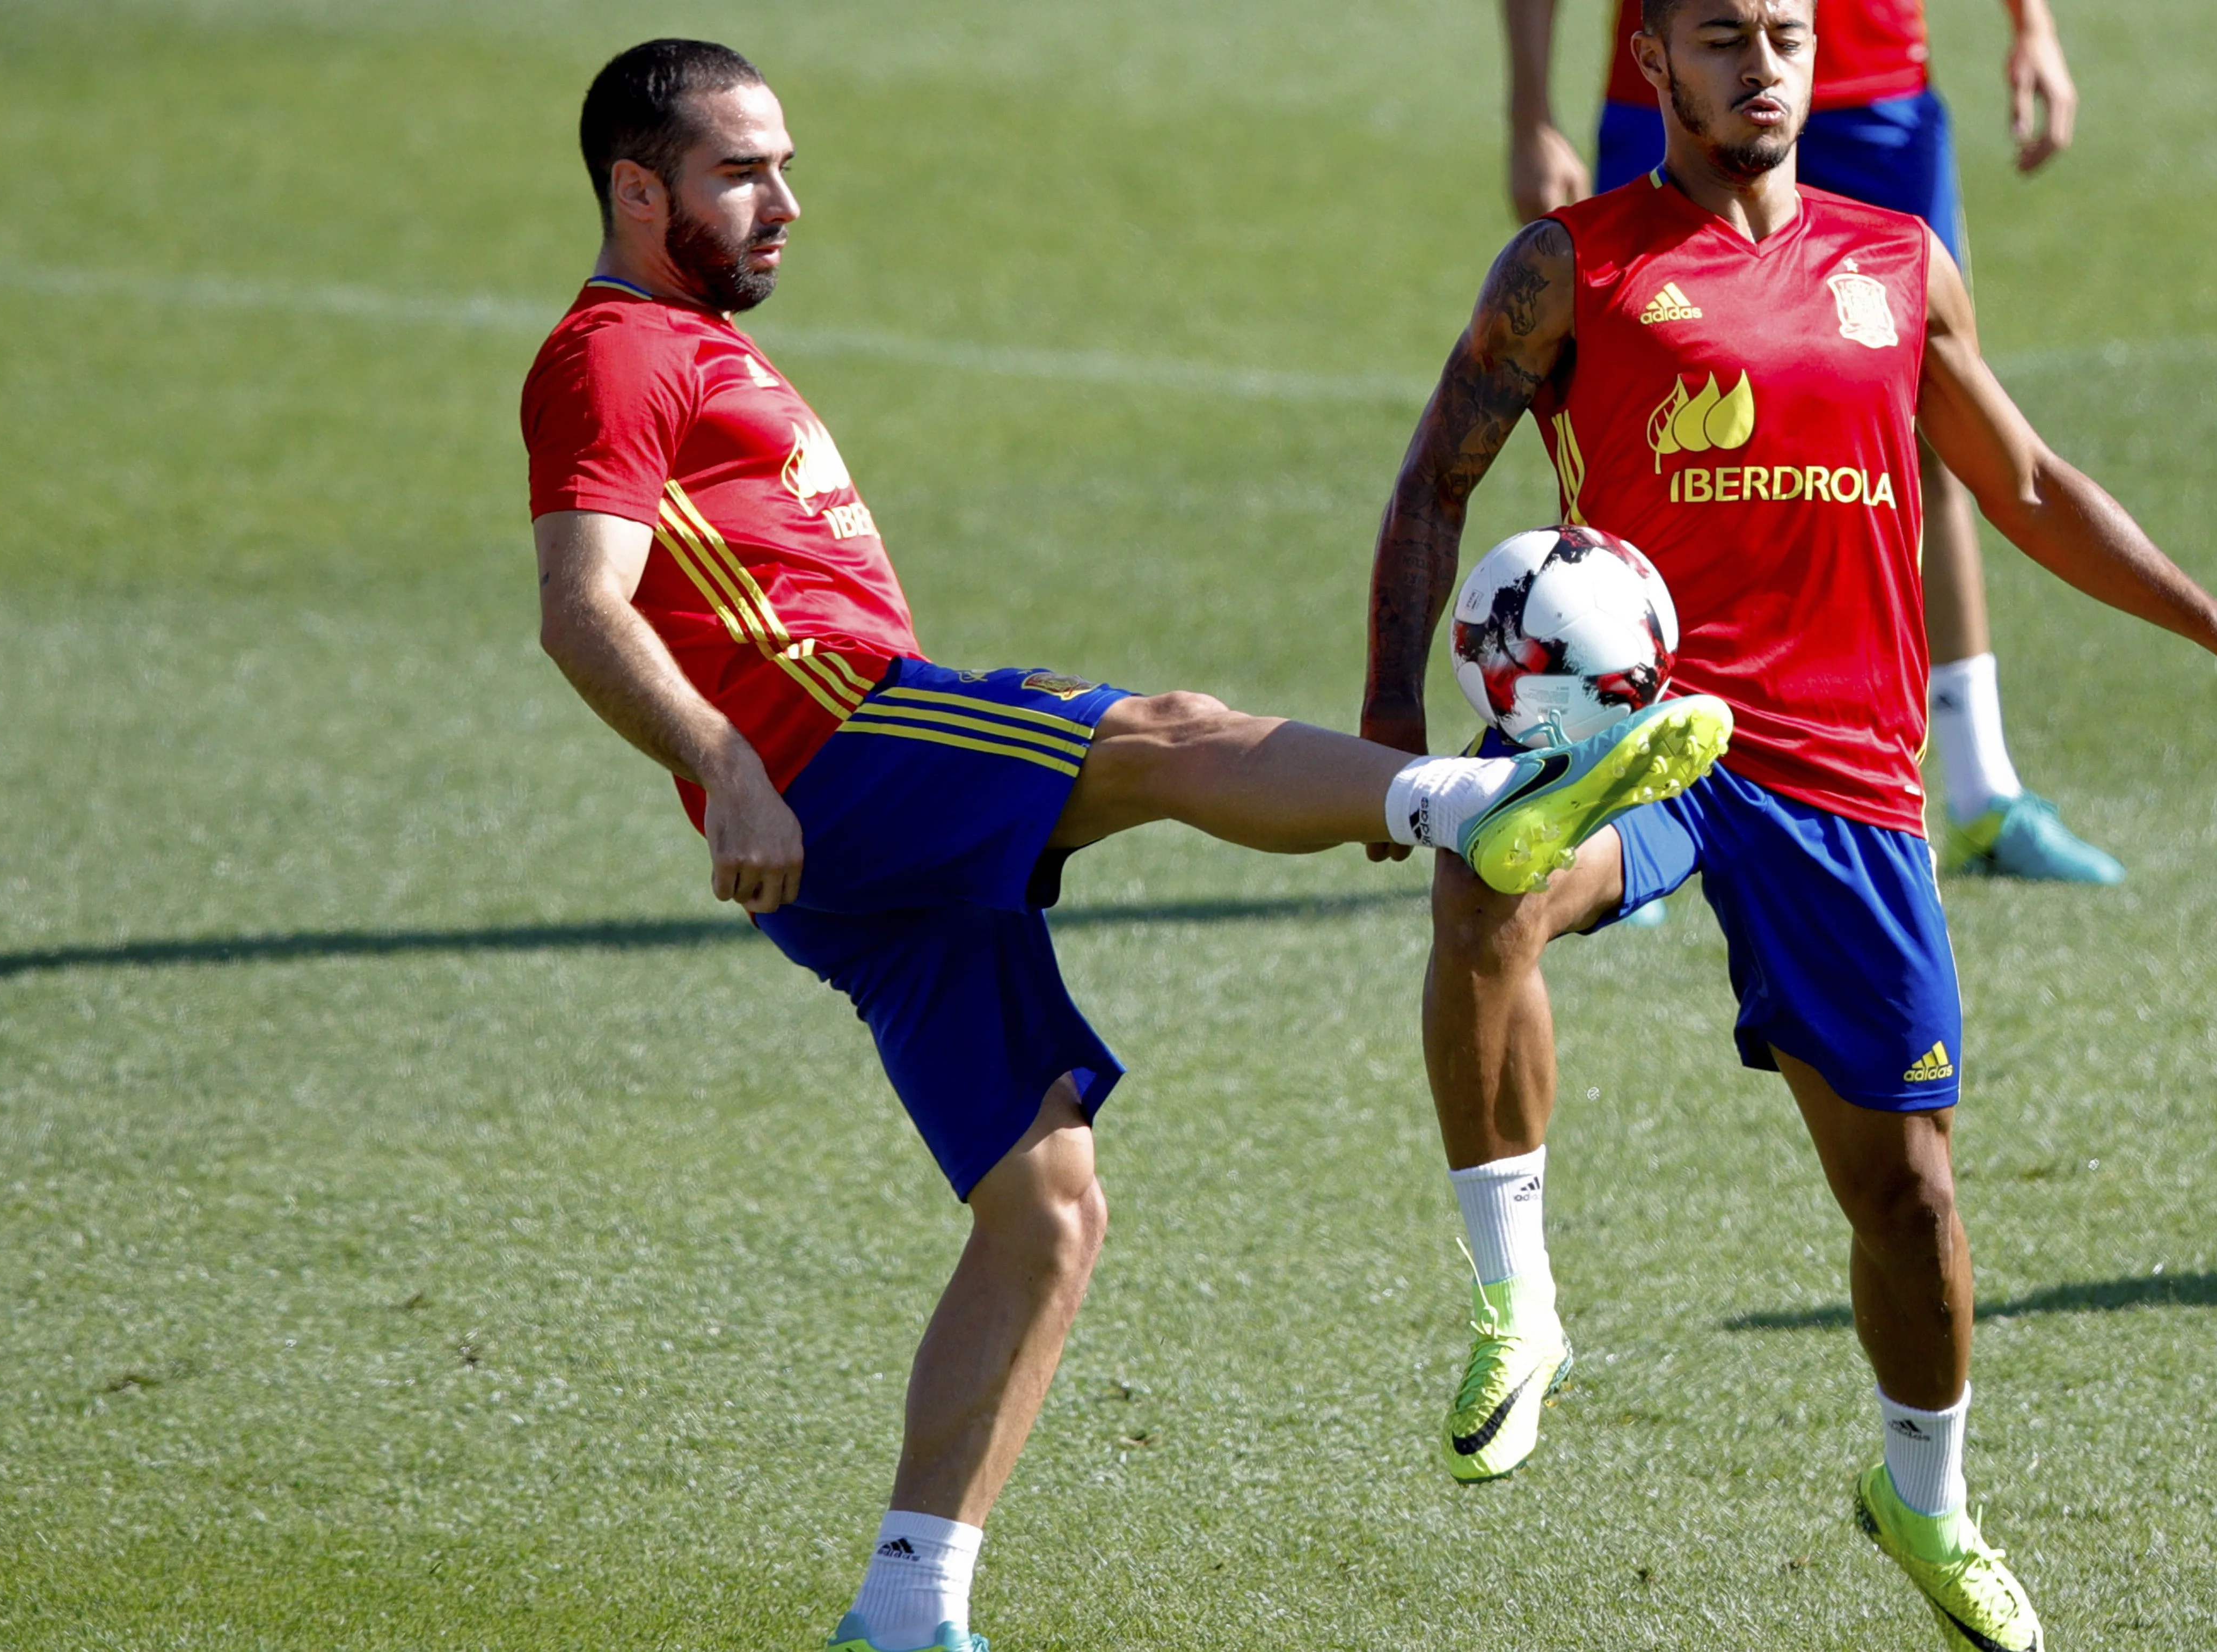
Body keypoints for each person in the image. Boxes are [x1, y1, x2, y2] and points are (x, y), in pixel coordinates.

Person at [519, 41, 1731, 1652]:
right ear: (634, 186)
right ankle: (1472, 801)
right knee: (1154, 733)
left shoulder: (691, 343)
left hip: (851, 827)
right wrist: (730, 768)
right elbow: (580, 605)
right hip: (840, 746)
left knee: (1048, 1207)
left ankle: (906, 1609)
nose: (785, 202)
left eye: (786, 165)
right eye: (742, 172)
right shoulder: (613, 353)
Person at [1360, 3, 2217, 1646]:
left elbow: (2030, 485)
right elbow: (1434, 482)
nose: (1762, 63)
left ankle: (1923, 1491)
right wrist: (1392, 727)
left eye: (1785, 31)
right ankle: (1517, 1302)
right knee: (1492, 880)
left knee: (1908, 1199)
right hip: (1650, 740)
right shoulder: (1572, 267)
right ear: (1655, 68)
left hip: (1845, 777)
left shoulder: (1900, 261)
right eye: (1720, 36)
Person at [1505, 0, 2125, 884]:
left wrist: (2034, 26)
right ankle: (1618, 788)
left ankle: (1984, 789)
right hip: (1680, 80)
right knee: (1629, 418)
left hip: (1873, 86)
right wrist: (1531, 109)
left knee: (1931, 417)